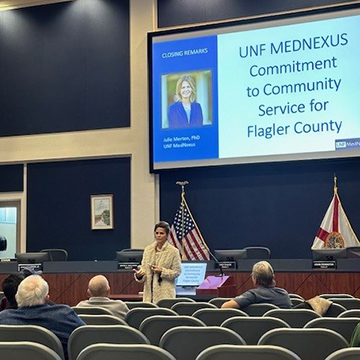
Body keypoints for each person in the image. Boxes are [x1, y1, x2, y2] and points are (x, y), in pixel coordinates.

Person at [0, 275, 85, 359]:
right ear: (47, 299)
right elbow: (86, 337)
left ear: (16, 297)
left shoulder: (3, 318)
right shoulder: (65, 315)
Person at [133, 221, 181, 303]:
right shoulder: (148, 250)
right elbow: (144, 269)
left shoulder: (173, 251)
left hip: (165, 294)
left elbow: (177, 272)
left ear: (167, 235)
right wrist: (139, 275)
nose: (158, 236)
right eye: (157, 233)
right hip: (148, 295)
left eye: (161, 233)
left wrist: (162, 271)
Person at [221, 261, 292, 309]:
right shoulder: (283, 294)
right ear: (273, 277)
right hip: (280, 331)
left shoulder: (252, 295)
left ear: (254, 279)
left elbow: (224, 307)